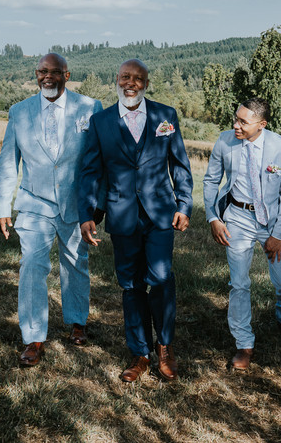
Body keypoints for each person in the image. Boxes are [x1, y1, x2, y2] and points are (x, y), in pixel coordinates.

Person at [79, 59, 193, 382]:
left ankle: (164, 347)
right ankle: (140, 352)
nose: (131, 83)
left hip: (160, 213)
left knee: (160, 278)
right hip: (121, 214)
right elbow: (90, 171)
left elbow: (180, 165)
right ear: (116, 80)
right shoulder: (100, 121)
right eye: (125, 77)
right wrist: (87, 214)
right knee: (130, 286)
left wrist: (184, 204)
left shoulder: (165, 116)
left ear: (146, 83)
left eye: (138, 79)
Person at [0, 53, 102, 367]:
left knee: (75, 262)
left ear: (67, 75)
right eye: (43, 71)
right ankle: (33, 337)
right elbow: (6, 164)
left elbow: (98, 163)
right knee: (31, 266)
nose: (48, 78)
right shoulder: (19, 111)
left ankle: (78, 321)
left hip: (75, 204)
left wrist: (95, 209)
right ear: (36, 73)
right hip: (34, 204)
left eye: (55, 72)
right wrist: (3, 206)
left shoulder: (90, 108)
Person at [202, 97, 281, 370]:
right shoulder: (225, 141)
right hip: (237, 218)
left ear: (262, 124)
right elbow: (211, 180)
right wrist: (214, 217)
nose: (236, 125)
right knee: (239, 284)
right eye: (236, 118)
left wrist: (278, 233)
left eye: (243, 122)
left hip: (272, 222)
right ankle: (244, 344)